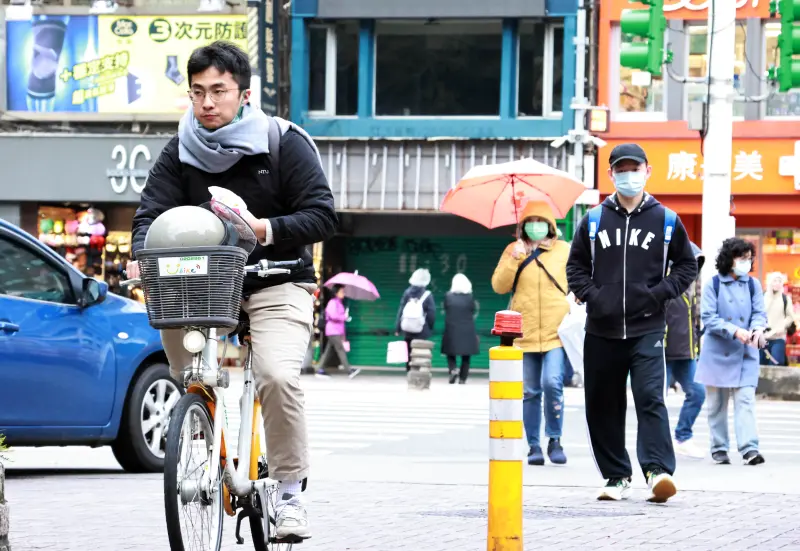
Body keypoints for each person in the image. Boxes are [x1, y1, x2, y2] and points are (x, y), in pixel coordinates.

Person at [127, 41, 337, 540]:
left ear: (243, 93)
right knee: (190, 372)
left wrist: (260, 228)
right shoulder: (180, 149)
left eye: (218, 90)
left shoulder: (284, 142)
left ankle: (288, 494)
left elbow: (324, 215)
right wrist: (141, 255)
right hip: (203, 285)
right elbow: (148, 214)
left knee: (277, 376)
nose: (206, 103)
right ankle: (200, 414)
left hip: (278, 279)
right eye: (197, 91)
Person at [566, 143, 697, 503]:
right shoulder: (593, 220)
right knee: (602, 402)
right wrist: (595, 296)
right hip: (601, 329)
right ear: (611, 175)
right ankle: (615, 476)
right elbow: (574, 267)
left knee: (649, 396)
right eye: (621, 170)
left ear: (647, 170)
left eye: (634, 168)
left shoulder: (666, 219)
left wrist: (659, 293)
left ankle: (658, 472)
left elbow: (687, 265)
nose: (628, 175)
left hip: (648, 327)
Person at [492, 201, 570, 466]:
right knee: (529, 391)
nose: (535, 225)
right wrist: (514, 259)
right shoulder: (513, 251)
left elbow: (578, 281)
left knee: (553, 383)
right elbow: (499, 287)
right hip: (523, 333)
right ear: (522, 226)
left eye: (541, 220)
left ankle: (555, 439)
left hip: (556, 332)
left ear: (550, 225)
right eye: (530, 221)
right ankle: (534, 445)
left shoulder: (564, 250)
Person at [696, 237, 767, 466]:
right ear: (729, 259)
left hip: (746, 352)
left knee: (745, 400)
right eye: (742, 258)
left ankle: (749, 449)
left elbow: (759, 312)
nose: (747, 262)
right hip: (717, 352)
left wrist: (756, 329)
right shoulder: (713, 284)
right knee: (716, 405)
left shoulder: (753, 284)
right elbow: (708, 318)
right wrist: (735, 331)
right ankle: (719, 448)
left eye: (749, 258)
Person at [664, 243, 707, 459]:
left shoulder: (692, 287)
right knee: (655, 400)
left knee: (698, 393)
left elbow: (695, 320)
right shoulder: (663, 282)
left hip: (686, 352)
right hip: (661, 352)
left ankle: (682, 436)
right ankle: (657, 442)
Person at [441, 273, 479, 384]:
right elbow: (472, 310)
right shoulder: (470, 298)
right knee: (466, 355)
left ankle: (453, 369)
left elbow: (446, 308)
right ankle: (463, 378)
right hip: (467, 329)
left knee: (450, 352)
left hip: (451, 328)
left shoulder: (448, 296)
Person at [396, 268, 436, 371]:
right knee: (420, 350)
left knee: (408, 349)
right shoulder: (428, 295)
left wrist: (397, 328)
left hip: (407, 328)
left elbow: (401, 310)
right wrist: (430, 327)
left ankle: (409, 369)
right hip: (421, 329)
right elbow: (431, 313)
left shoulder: (407, 292)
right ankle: (418, 370)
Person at [317, 285, 359, 378]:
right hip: (333, 331)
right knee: (340, 350)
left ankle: (319, 369)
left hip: (336, 331)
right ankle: (349, 371)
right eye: (341, 291)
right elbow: (333, 316)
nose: (343, 293)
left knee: (328, 352)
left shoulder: (339, 303)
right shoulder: (333, 303)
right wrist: (344, 317)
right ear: (336, 293)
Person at [762, 272, 795, 366]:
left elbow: (790, 316)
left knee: (776, 363)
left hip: (778, 337)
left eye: (779, 281)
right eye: (774, 280)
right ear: (769, 282)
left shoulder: (785, 299)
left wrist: (782, 326)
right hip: (762, 338)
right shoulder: (761, 297)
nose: (777, 283)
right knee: (762, 365)